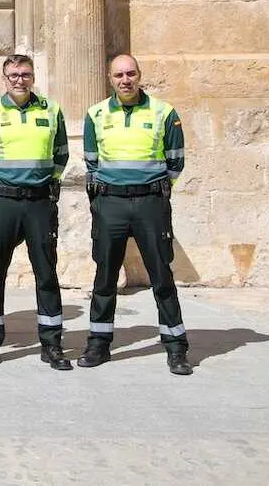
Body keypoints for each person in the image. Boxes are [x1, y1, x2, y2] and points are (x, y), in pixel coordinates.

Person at [78, 54, 192, 375]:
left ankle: (176, 347)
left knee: (162, 276)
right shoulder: (96, 114)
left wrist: (151, 188)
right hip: (110, 204)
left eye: (130, 74)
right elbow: (91, 162)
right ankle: (98, 343)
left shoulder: (163, 112)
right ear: (110, 78)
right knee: (105, 276)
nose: (125, 80)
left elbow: (175, 161)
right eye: (118, 75)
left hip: (149, 204)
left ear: (140, 75)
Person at [0, 55, 71, 371]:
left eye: (25, 74)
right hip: (1, 202)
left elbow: (61, 155)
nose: (19, 80)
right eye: (13, 75)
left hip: (39, 202)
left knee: (46, 273)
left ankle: (52, 344)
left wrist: (46, 184)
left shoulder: (51, 110)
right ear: (4, 78)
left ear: (33, 76)